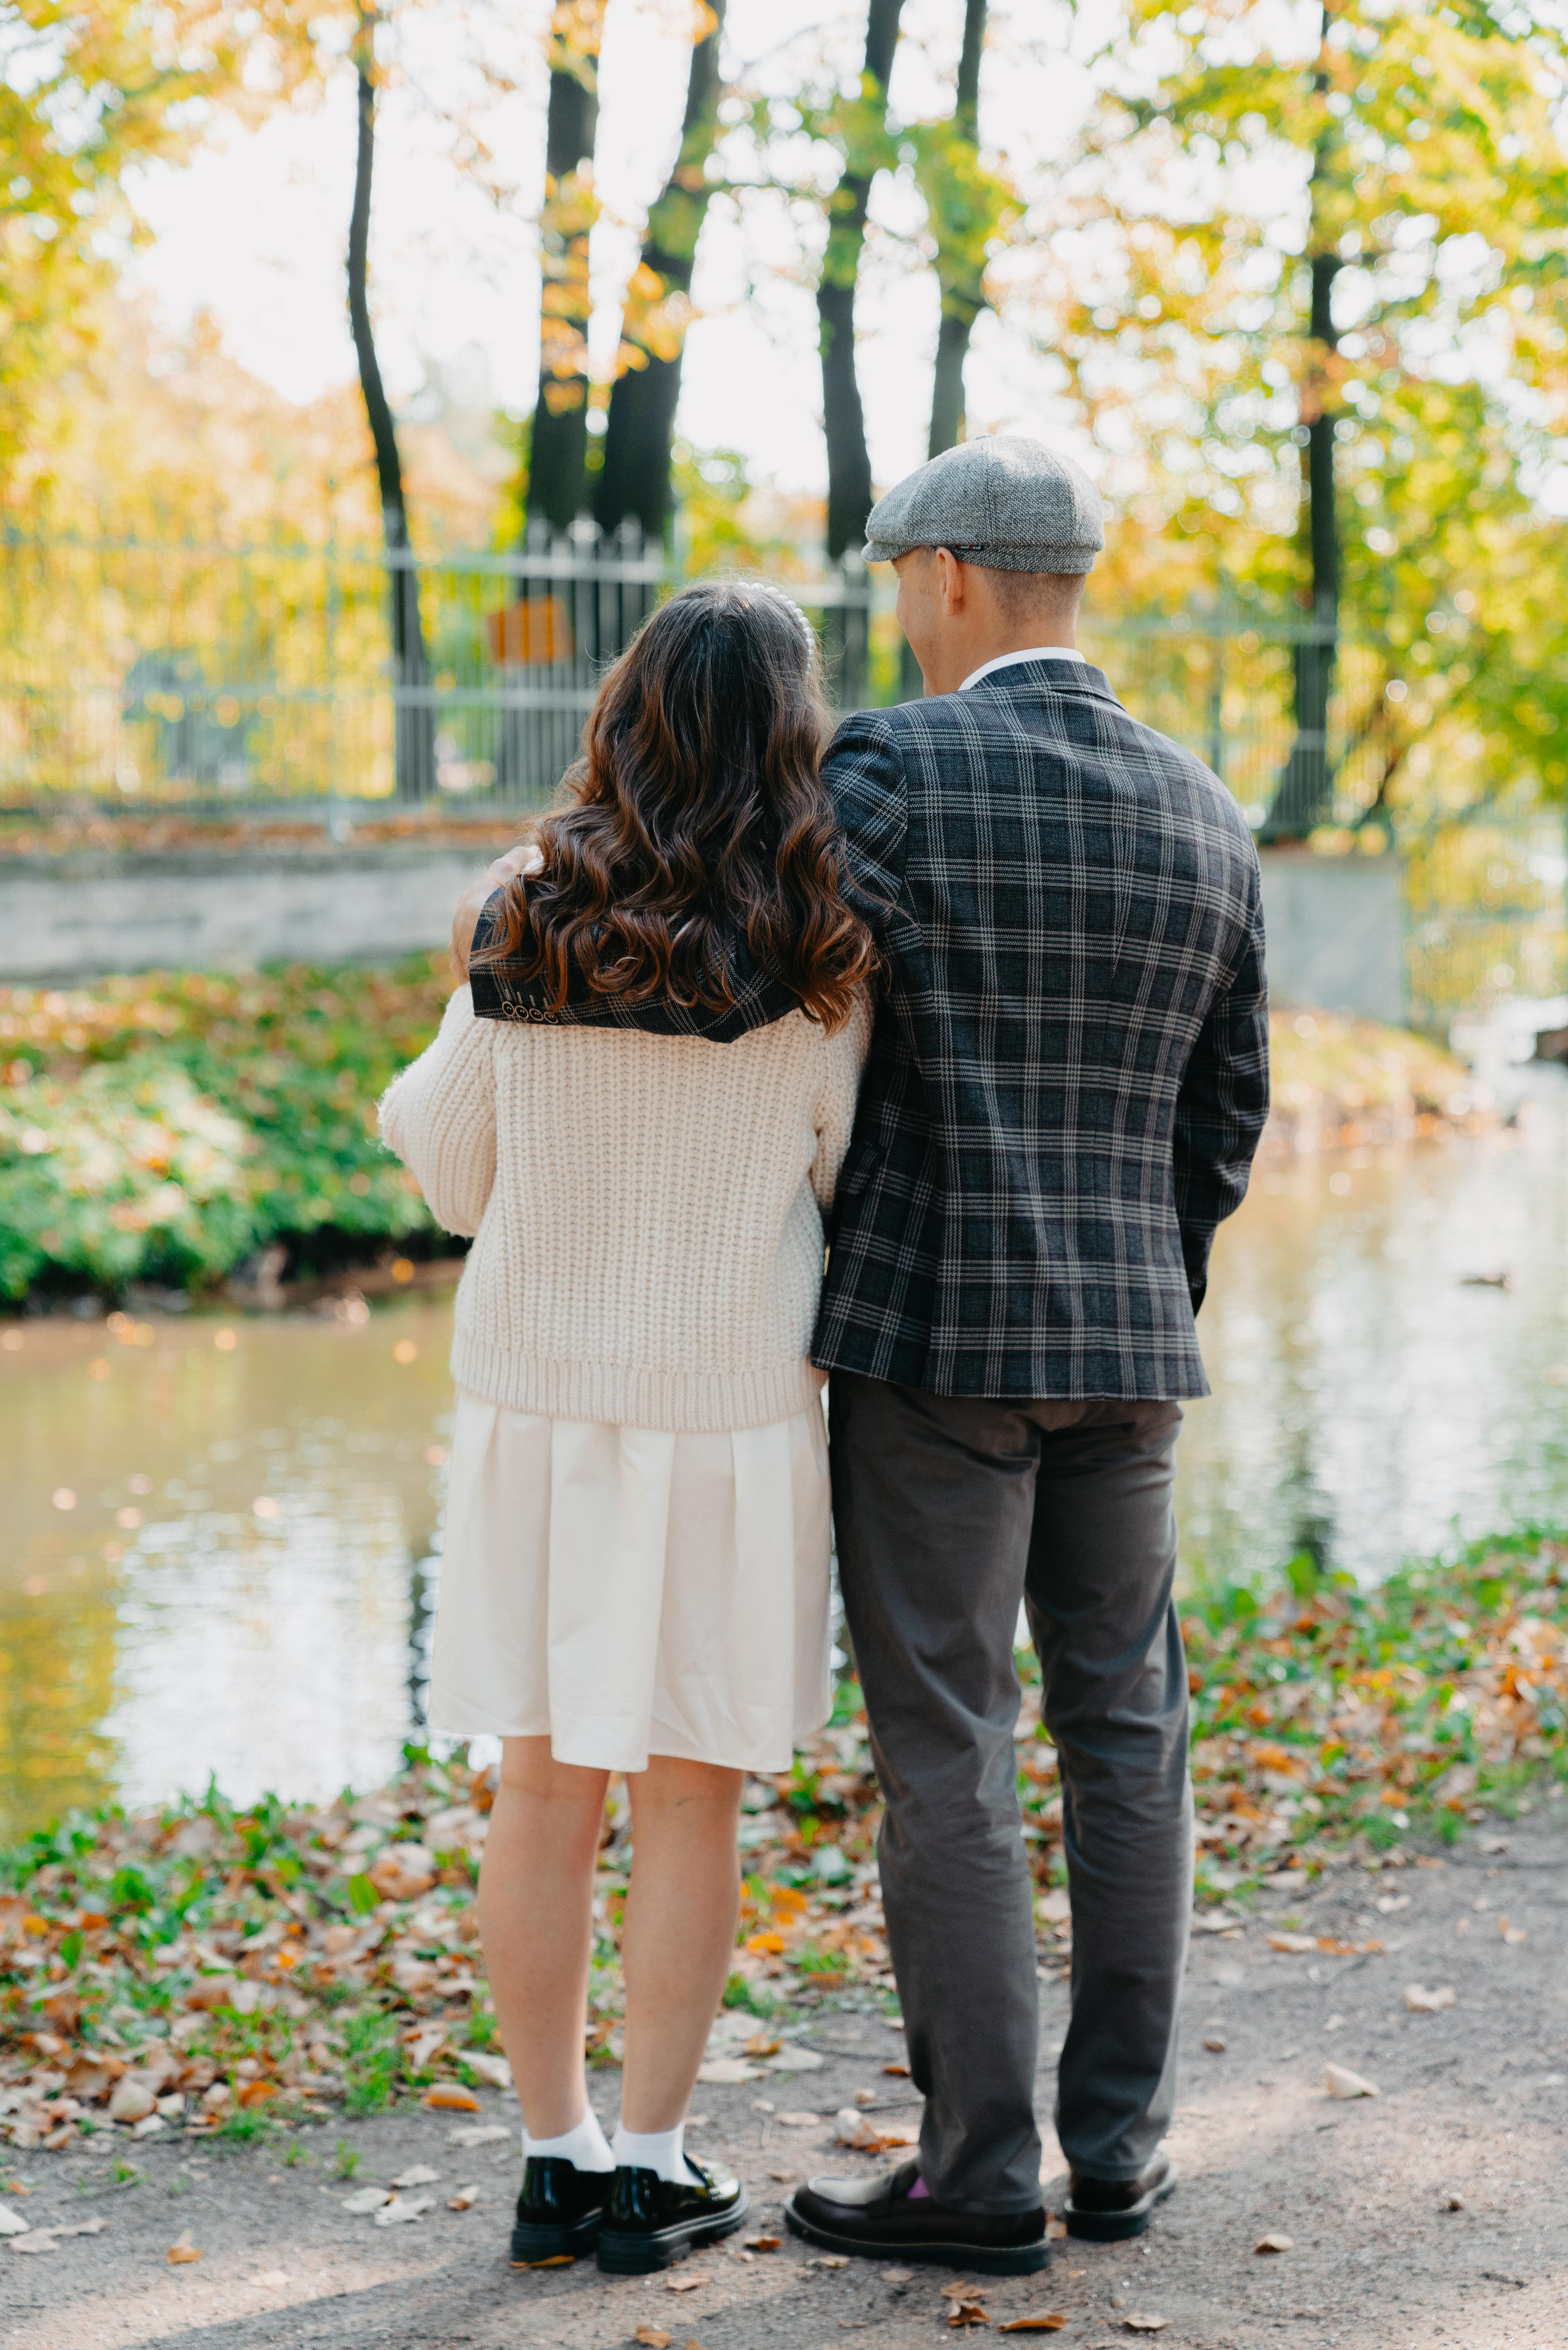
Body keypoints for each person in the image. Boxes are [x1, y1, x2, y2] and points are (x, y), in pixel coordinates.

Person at [458, 435, 1270, 2278]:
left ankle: (983, 2172)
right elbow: (1229, 1111)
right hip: (1133, 1346)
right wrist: (1150, 1277)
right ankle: (1123, 2149)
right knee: (1130, 1731)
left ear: (957, 578)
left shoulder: (890, 770)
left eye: (905, 580)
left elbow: (816, 1014)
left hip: (933, 1345)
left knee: (952, 1746)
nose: (896, 614)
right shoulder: (1209, 807)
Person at [380, 581, 872, 2277]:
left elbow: (449, 1172)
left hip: (538, 1410)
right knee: (690, 1794)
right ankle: (655, 2164)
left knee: (541, 1784)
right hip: (729, 1419)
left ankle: (551, 2158)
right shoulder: (823, 944)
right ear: (793, 730)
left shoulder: (521, 910)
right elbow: (836, 1171)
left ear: (624, 710)